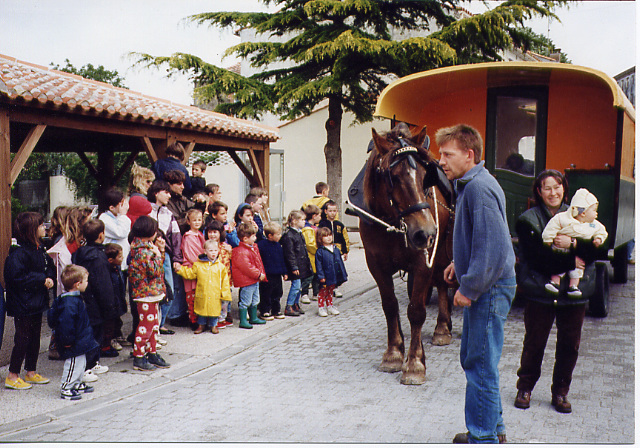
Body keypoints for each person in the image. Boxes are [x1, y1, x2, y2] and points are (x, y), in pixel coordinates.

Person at [437, 124, 516, 444]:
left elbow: (494, 248)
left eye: (447, 154)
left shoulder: (478, 188)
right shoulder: (472, 183)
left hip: (490, 288)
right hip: (490, 284)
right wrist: (460, 262)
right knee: (481, 360)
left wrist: (469, 288)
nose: (441, 160)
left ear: (469, 155)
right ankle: (493, 430)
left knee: (479, 362)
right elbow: (481, 238)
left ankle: (482, 437)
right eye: (440, 154)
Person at [513, 170, 606, 414]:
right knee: (534, 343)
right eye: (547, 188)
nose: (553, 193)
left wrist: (573, 244)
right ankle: (525, 388)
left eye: (557, 187)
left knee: (570, 346)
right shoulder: (527, 220)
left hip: (574, 295)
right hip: (539, 291)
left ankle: (561, 392)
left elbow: (598, 251)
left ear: (564, 188)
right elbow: (535, 258)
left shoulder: (582, 213)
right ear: (538, 191)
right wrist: (572, 261)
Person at [4, 212, 56, 390]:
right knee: (23, 338)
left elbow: (50, 265)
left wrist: (49, 276)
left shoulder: (39, 248)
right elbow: (15, 278)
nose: (44, 228)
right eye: (41, 225)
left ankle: (31, 372)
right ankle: (12, 375)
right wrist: (41, 279)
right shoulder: (18, 253)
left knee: (35, 338)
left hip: (36, 301)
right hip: (23, 303)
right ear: (32, 230)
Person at [541, 188, 608, 298]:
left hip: (578, 252)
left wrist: (599, 239)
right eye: (594, 210)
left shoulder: (594, 224)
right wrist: (548, 239)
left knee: (578, 267)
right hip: (560, 248)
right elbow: (551, 227)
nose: (596, 214)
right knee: (558, 263)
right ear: (583, 213)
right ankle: (554, 282)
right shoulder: (563, 218)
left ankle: (573, 287)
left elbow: (602, 231)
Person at [47, 265, 98, 400]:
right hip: (73, 341)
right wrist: (67, 341)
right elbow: (66, 325)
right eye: (86, 280)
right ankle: (67, 387)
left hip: (80, 339)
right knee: (74, 363)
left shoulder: (73, 299)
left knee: (80, 363)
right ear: (77, 284)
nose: (87, 283)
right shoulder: (69, 303)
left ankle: (76, 382)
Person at [72, 219, 121, 362]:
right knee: (96, 332)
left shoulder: (79, 253)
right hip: (97, 302)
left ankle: (90, 361)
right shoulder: (99, 256)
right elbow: (103, 283)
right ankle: (92, 363)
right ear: (101, 235)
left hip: (85, 297)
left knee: (89, 331)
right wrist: (110, 305)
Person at [127, 216, 170, 371]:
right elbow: (154, 271)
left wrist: (159, 253)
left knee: (153, 326)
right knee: (146, 326)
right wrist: (159, 255)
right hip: (146, 294)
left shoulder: (145, 248)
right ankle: (139, 356)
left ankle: (152, 352)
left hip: (151, 293)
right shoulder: (143, 251)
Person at [147, 179, 184, 332]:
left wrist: (176, 259)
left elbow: (176, 238)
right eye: (166, 192)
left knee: (168, 289)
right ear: (156, 193)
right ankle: (152, 328)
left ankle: (159, 325)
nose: (169, 195)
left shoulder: (169, 214)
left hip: (165, 256)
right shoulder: (146, 210)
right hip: (148, 255)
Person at [176, 239, 232, 334]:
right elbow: (191, 274)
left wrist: (225, 294)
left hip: (215, 294)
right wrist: (180, 269)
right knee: (201, 310)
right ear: (205, 252)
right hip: (203, 293)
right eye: (210, 251)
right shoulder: (198, 265)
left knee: (214, 311)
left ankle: (213, 325)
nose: (213, 253)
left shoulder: (220, 267)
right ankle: (201, 325)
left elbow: (225, 282)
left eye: (215, 250)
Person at [231, 222, 267, 329]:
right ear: (245, 239)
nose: (255, 238)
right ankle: (243, 320)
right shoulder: (241, 251)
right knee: (246, 300)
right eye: (253, 236)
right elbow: (247, 267)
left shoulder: (252, 247)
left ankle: (253, 317)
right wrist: (258, 274)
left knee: (255, 299)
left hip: (254, 279)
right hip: (247, 280)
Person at [280, 210, 312, 317]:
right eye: (302, 220)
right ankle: (289, 305)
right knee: (296, 286)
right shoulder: (289, 235)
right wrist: (293, 266)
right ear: (294, 221)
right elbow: (290, 253)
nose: (304, 222)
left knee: (299, 286)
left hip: (301, 265)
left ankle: (295, 304)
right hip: (295, 266)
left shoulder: (298, 233)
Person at [204, 220, 234, 329]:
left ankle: (223, 318)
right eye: (210, 232)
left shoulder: (225, 246)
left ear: (220, 233)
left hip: (225, 278)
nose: (212, 235)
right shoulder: (207, 246)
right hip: (213, 278)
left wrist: (230, 251)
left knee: (225, 299)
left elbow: (231, 260)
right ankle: (215, 319)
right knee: (215, 300)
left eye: (215, 232)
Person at [319, 200, 350, 298]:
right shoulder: (322, 223)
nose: (332, 213)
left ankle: (335, 288)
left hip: (337, 250)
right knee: (327, 269)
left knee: (337, 269)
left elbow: (344, 238)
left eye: (334, 211)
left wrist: (345, 251)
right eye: (330, 211)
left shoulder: (339, 225)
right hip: (325, 250)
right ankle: (325, 288)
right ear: (326, 211)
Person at [257, 221, 288, 320]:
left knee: (277, 292)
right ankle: (265, 310)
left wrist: (284, 272)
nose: (280, 236)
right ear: (270, 235)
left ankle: (276, 310)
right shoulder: (261, 245)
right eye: (278, 234)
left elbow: (282, 259)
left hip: (277, 275)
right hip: (266, 275)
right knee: (266, 293)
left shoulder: (278, 246)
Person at [314, 227, 347, 317]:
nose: (329, 237)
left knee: (331, 291)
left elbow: (339, 262)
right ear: (320, 238)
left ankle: (330, 306)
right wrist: (321, 276)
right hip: (326, 274)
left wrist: (342, 273)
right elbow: (319, 265)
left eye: (330, 235)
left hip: (334, 274)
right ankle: (321, 307)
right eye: (325, 236)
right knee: (322, 292)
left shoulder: (335, 249)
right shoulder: (320, 251)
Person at [181, 208, 206, 327]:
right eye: (194, 220)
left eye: (199, 220)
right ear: (188, 222)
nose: (197, 222)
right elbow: (190, 255)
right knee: (192, 296)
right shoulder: (188, 237)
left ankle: (201, 320)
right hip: (193, 267)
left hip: (200, 266)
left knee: (200, 294)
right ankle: (194, 321)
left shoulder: (200, 234)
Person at [98, 187, 131, 272]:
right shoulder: (104, 219)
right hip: (113, 263)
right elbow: (120, 233)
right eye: (121, 204)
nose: (124, 207)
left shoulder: (118, 216)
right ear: (112, 208)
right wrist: (124, 215)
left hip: (122, 262)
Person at [104, 243, 127, 351]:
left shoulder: (117, 268)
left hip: (119, 298)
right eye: (119, 257)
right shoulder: (108, 272)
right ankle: (112, 339)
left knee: (118, 320)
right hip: (113, 300)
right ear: (110, 260)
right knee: (112, 321)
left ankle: (118, 335)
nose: (122, 258)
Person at [300, 204, 321, 304]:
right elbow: (309, 244)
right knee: (309, 276)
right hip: (310, 256)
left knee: (316, 276)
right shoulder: (308, 229)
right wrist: (318, 250)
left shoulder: (314, 227)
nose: (320, 218)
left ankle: (316, 293)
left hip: (313, 257)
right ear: (314, 216)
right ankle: (304, 294)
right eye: (319, 215)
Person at [164, 169, 195, 235]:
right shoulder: (165, 201)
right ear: (169, 184)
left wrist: (200, 205)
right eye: (179, 184)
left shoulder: (181, 198)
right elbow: (176, 223)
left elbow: (194, 208)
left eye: (183, 184)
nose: (182, 187)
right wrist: (189, 218)